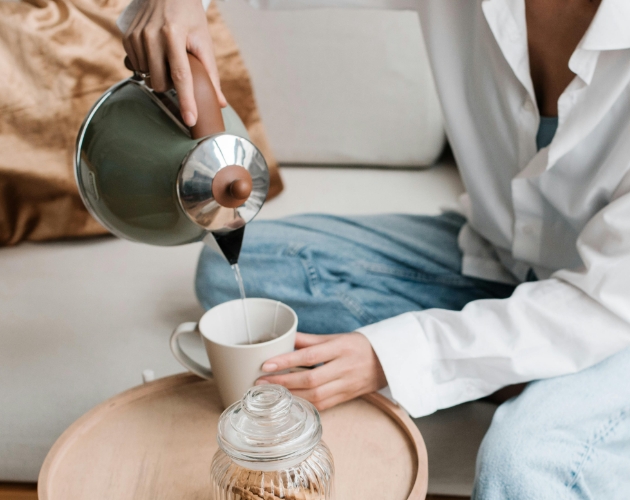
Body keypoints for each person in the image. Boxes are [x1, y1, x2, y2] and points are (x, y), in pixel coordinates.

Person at [120, 0, 630, 497]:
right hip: (503, 258)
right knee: (238, 267)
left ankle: (522, 374)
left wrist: (391, 356)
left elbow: (605, 302)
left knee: (522, 466)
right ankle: (510, 362)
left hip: (616, 321)